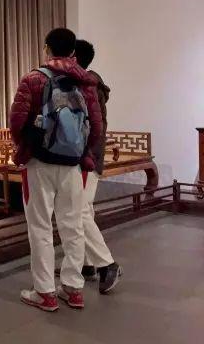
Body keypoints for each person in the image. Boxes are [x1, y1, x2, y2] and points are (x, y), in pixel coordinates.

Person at [9, 28, 102, 312]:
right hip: (73, 165)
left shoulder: (33, 79)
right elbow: (96, 127)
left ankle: (45, 292)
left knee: (40, 227)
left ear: (46, 48)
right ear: (73, 52)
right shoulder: (85, 82)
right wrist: (81, 150)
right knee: (73, 226)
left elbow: (16, 121)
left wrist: (25, 146)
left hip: (39, 162)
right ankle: (73, 289)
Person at [74, 39, 123, 294]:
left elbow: (90, 127)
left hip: (86, 156)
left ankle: (107, 264)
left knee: (79, 211)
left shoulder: (86, 85)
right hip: (90, 155)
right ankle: (87, 263)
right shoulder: (91, 83)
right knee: (85, 209)